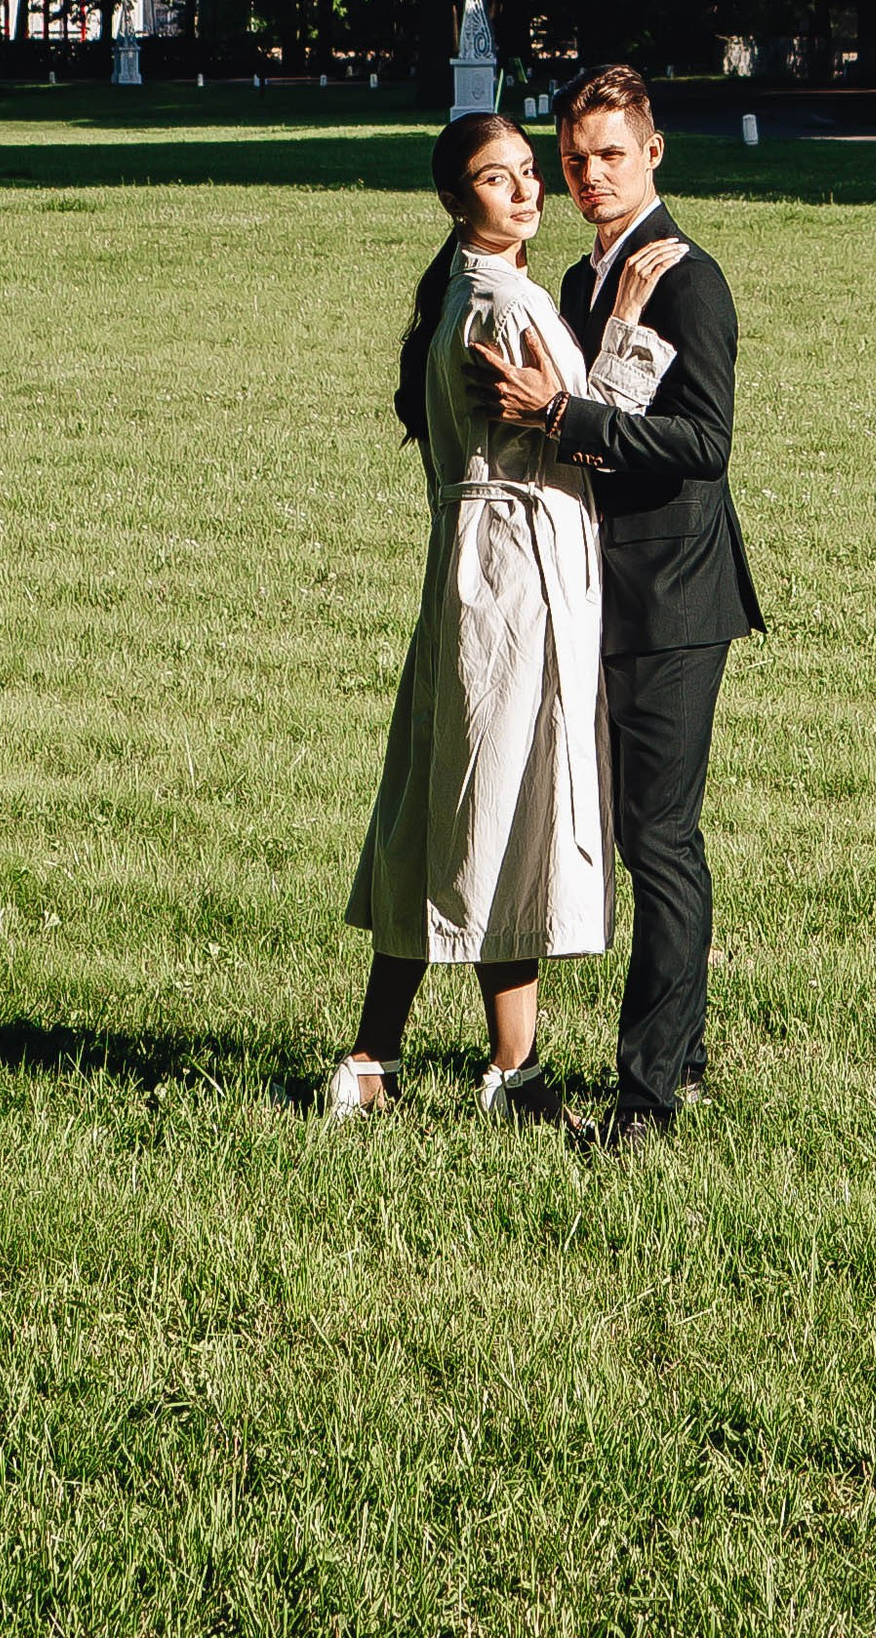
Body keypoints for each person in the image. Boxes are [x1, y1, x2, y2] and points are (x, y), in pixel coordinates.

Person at [327, 111, 681, 1125]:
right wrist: (633, 329)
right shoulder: (498, 305)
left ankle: (404, 1062)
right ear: (457, 199)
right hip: (515, 572)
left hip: (486, 567)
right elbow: (592, 428)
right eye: (498, 178)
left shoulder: (473, 291)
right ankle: (494, 1074)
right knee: (495, 805)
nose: (525, 192)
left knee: (454, 806)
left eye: (530, 172)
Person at [469, 64, 762, 1147]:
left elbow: (704, 444)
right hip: (601, 588)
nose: (589, 176)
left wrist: (566, 418)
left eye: (610, 156)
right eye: (575, 159)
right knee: (641, 838)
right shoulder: (592, 279)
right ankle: (675, 1056)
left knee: (660, 840)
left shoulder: (686, 279)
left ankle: (647, 1103)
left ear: (653, 154)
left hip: (674, 597)